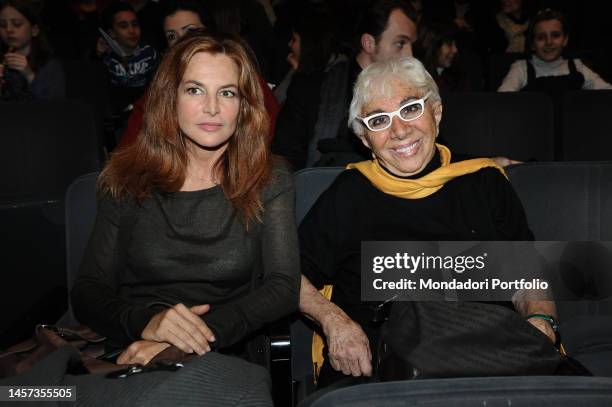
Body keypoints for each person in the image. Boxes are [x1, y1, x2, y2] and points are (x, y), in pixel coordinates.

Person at [298, 57, 560, 388]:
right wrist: (335, 322)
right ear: (365, 140)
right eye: (379, 120)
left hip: (488, 361)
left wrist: (539, 317)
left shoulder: (483, 182)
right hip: (380, 372)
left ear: (435, 112)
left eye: (410, 109)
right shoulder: (348, 195)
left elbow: (527, 274)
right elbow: (286, 274)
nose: (399, 131)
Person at [71, 31, 300, 367]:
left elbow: (282, 287)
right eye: (195, 90)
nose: (211, 108)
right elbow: (88, 290)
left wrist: (192, 339)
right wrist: (148, 324)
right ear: (170, 98)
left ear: (244, 105)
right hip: (135, 346)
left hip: (225, 349)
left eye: (227, 93)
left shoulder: (268, 177)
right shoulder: (126, 178)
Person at [272, 0, 418, 170]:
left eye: (411, 45)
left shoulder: (414, 93)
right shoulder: (313, 88)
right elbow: (284, 160)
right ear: (368, 43)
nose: (410, 55)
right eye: (400, 43)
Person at [116, 0, 279, 149]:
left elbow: (276, 134)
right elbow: (128, 150)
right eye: (172, 36)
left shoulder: (242, 76)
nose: (182, 41)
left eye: (191, 31)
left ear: (210, 32)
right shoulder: (158, 90)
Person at [498, 8, 612, 94]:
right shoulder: (521, 68)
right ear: (532, 44)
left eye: (555, 35)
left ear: (565, 40)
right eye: (541, 37)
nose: (549, 42)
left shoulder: (577, 66)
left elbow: (606, 93)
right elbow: (505, 99)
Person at [97, 1, 159, 112]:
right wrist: (98, 54)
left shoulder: (149, 53)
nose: (132, 30)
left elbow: (156, 85)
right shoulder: (107, 56)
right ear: (111, 33)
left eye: (135, 24)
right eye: (123, 26)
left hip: (144, 107)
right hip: (116, 109)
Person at [0, 0, 65, 100]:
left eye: (17, 24)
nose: (8, 29)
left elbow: (55, 105)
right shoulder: (2, 61)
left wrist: (29, 75)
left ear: (34, 30)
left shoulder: (48, 64)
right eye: (3, 25)